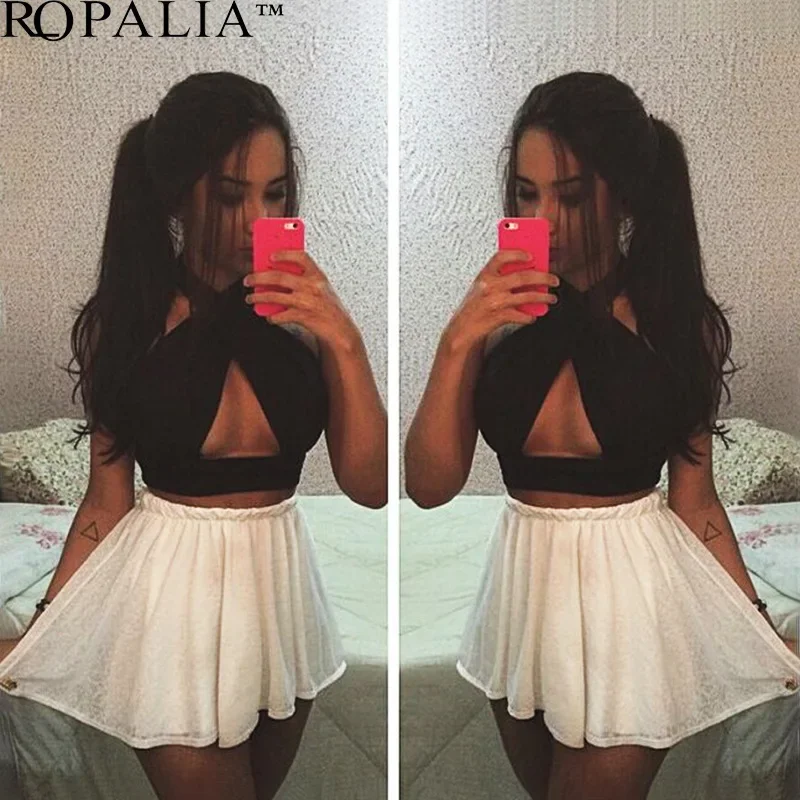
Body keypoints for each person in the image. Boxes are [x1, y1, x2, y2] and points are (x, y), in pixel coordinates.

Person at [404, 71, 799, 800]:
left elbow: (696, 501)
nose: (544, 217)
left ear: (624, 197)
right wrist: (458, 339)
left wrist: (757, 624)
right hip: (522, 593)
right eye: (526, 193)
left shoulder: (674, 323)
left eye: (572, 195)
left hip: (629, 600)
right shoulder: (494, 323)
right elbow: (428, 488)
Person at [0, 71, 387, 800]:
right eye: (231, 195)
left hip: (280, 596)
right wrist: (44, 632)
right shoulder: (129, 324)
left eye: (275, 194)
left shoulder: (307, 323)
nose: (256, 220)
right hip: (172, 601)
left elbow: (369, 488)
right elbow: (106, 502)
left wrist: (344, 338)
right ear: (177, 196)